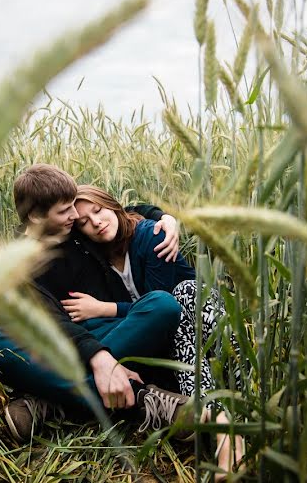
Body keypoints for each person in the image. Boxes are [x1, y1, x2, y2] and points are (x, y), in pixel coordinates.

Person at [0, 164, 194, 442]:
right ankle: (144, 401)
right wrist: (99, 358)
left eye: (74, 207)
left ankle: (51, 400)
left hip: (116, 331)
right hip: (61, 342)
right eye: (65, 210)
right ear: (36, 216)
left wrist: (164, 217)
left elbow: (121, 209)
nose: (77, 215)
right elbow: (51, 324)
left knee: (162, 306)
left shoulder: (77, 228)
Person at [72, 184, 246, 478]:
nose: (96, 223)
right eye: (84, 222)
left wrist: (105, 308)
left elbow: (162, 305)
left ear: (112, 205)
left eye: (98, 211)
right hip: (171, 347)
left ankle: (225, 428)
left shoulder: (150, 236)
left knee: (184, 292)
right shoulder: (97, 258)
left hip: (206, 324)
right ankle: (221, 424)